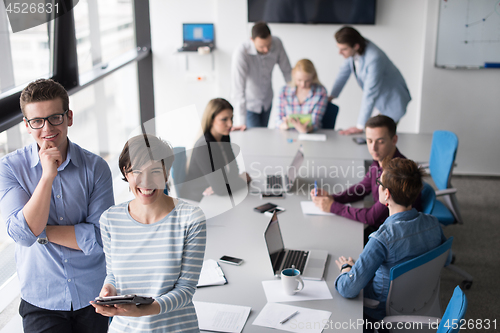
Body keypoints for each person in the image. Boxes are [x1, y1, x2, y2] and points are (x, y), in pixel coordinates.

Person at [0, 79, 114, 332]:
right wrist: (47, 176)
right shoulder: (10, 168)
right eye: (37, 121)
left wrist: (40, 231)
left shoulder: (96, 168)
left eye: (55, 118)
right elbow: (20, 235)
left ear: (69, 117)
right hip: (41, 298)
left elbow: (100, 238)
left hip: (93, 294)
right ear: (27, 126)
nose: (47, 128)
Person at [91, 134, 206, 332]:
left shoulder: (191, 218)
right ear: (126, 174)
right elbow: (113, 274)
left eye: (154, 171)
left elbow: (186, 290)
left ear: (166, 173)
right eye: (136, 171)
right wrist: (109, 289)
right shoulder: (110, 220)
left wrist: (143, 311)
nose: (146, 181)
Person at [334, 158, 447, 331]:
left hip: (381, 310)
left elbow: (348, 289)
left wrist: (346, 270)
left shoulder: (381, 239)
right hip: (421, 301)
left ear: (386, 194)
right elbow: (446, 259)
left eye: (379, 182)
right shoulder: (434, 223)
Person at [311, 115, 422, 240]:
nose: (373, 148)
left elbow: (371, 217)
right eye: (369, 141)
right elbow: (363, 187)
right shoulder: (380, 159)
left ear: (394, 140)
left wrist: (333, 207)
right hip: (381, 224)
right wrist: (331, 198)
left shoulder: (397, 175)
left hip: (393, 235)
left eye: (380, 141)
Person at [330, 26, 411, 135]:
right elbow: (343, 74)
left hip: (391, 101)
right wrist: (331, 96)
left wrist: (359, 126)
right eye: (338, 48)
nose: (339, 52)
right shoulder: (353, 51)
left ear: (356, 46)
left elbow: (370, 93)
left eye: (343, 49)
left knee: (381, 139)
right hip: (377, 100)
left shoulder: (374, 58)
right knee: (372, 136)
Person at [183, 98, 250, 201]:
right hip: (200, 198)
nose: (230, 124)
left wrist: (226, 183)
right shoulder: (204, 147)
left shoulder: (224, 136)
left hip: (215, 195)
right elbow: (221, 189)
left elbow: (233, 172)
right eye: (224, 119)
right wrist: (243, 179)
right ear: (211, 120)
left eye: (231, 118)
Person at [231, 21, 292, 129]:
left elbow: (287, 72)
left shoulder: (277, 43)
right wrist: (241, 122)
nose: (266, 50)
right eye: (262, 47)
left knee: (263, 136)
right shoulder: (241, 53)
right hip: (249, 105)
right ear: (252, 40)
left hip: (267, 101)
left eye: (268, 45)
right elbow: (238, 89)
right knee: (253, 140)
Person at [277, 59, 328, 133]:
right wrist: (283, 125)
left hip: (310, 134)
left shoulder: (320, 92)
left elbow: (316, 121)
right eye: (299, 80)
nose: (303, 84)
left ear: (313, 76)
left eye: (307, 81)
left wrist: (306, 129)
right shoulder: (283, 91)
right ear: (293, 74)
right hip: (287, 133)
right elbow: (278, 120)